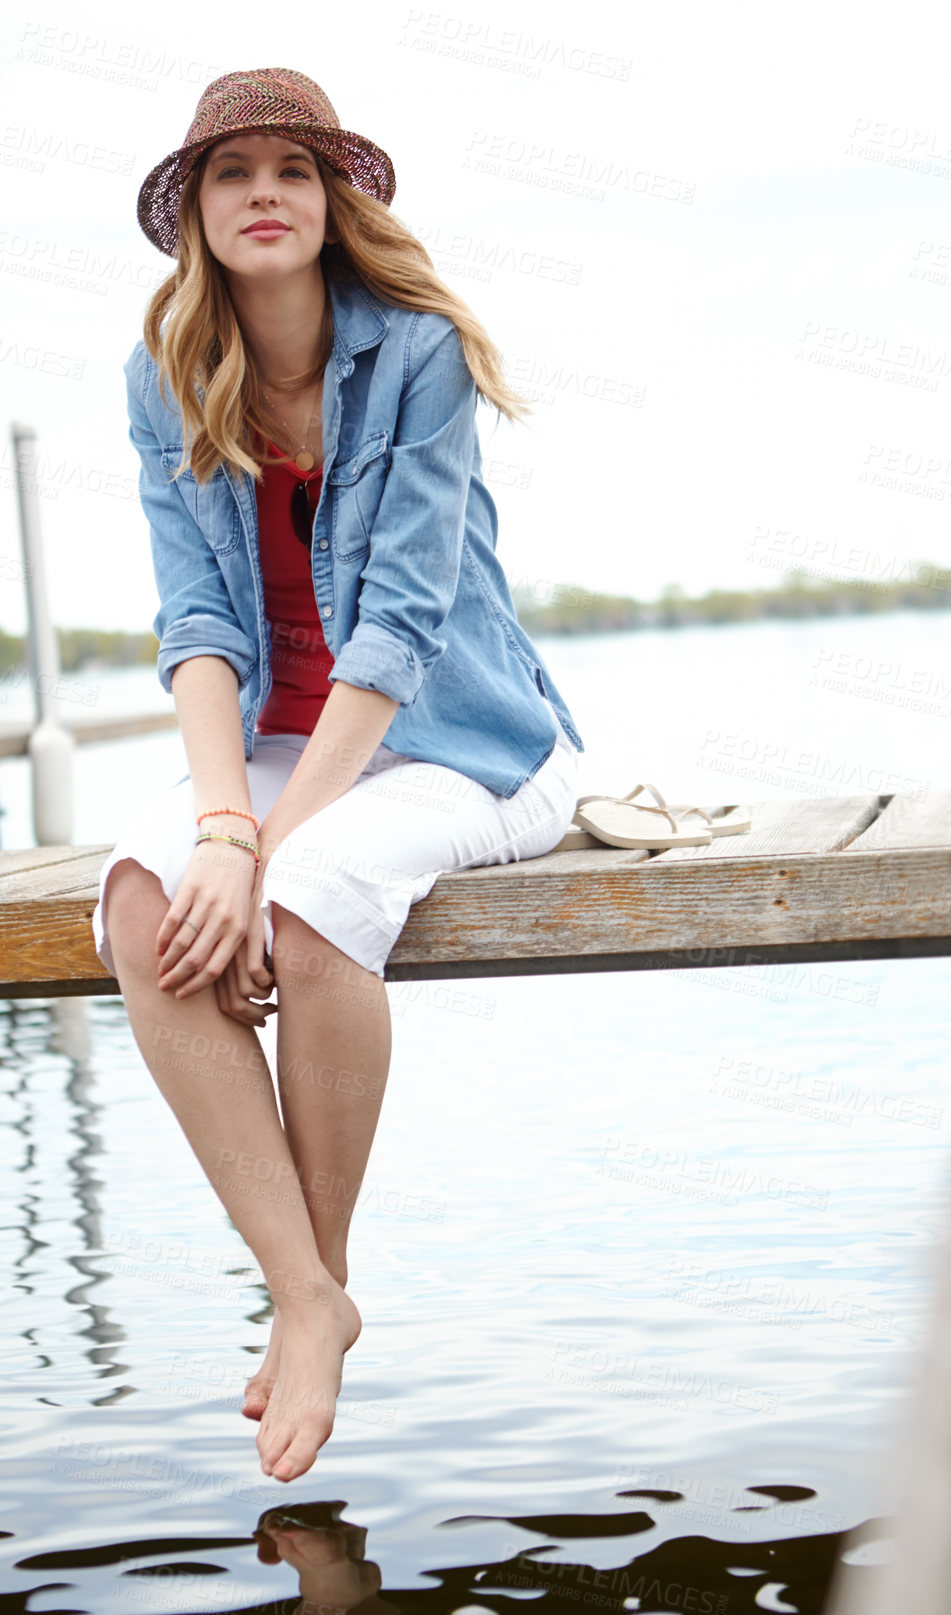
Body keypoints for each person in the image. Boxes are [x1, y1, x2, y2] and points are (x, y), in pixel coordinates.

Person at [91, 68, 584, 1485]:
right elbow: (195, 624)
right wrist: (217, 827)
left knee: (303, 904)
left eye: (291, 171)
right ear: (195, 214)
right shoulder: (166, 371)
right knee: (142, 907)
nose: (263, 194)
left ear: (331, 203)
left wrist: (261, 849)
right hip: (288, 745)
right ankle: (303, 1293)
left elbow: (400, 629)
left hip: (461, 737)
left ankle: (324, 1285)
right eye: (231, 172)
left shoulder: (414, 351)